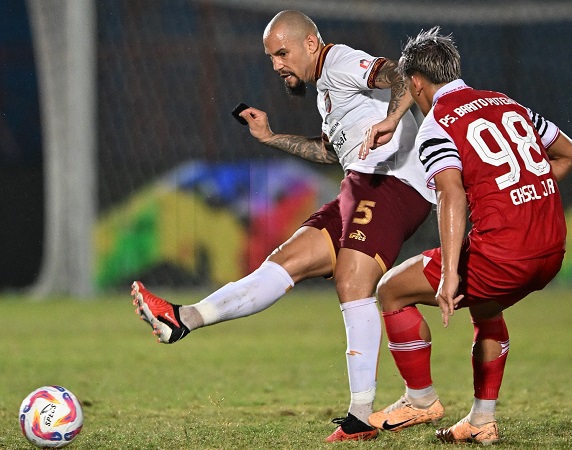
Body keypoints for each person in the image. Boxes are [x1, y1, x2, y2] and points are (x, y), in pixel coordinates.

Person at [130, 10, 436, 442]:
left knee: (352, 280)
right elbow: (331, 152)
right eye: (271, 57)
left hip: (392, 183)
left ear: (310, 44)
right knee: (285, 261)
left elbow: (402, 74)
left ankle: (361, 415)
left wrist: (391, 119)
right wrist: (272, 137)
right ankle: (183, 318)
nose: (276, 65)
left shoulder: (341, 61)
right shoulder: (326, 92)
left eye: (282, 53)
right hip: (361, 184)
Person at [361, 27, 572, 445]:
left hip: (505, 255)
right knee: (485, 309)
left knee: (391, 289)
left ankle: (420, 400)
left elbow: (451, 196)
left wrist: (448, 276)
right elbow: (569, 153)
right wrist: (521, 196)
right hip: (552, 251)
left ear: (416, 83)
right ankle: (481, 420)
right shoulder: (507, 103)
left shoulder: (437, 124)